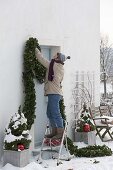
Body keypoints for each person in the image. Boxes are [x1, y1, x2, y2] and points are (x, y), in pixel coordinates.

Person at [35, 48, 67, 139]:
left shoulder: (53, 65)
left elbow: (41, 59)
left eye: (56, 55)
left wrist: (36, 51)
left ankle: (60, 132)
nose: (54, 55)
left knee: (55, 113)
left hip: (54, 93)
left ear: (58, 59)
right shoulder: (59, 67)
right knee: (49, 113)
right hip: (54, 93)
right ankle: (54, 131)